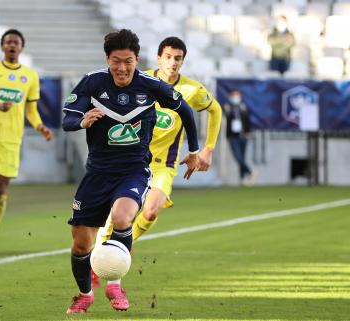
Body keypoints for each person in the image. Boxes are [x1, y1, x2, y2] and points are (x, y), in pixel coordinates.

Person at [62, 29, 200, 314]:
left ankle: (115, 284)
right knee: (80, 243)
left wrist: (196, 150)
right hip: (97, 173)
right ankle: (85, 294)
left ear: (137, 59)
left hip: (133, 170)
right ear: (107, 59)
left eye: (128, 61)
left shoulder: (150, 85)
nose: (122, 68)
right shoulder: (92, 82)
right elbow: (67, 119)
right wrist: (82, 121)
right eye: (116, 61)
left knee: (123, 218)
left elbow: (185, 110)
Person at [94, 36, 222, 287]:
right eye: (169, 57)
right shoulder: (140, 82)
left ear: (182, 62)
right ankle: (99, 257)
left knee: (151, 210)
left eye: (178, 59)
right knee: (116, 217)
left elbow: (215, 110)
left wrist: (208, 149)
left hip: (165, 163)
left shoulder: (192, 90)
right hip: (132, 160)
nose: (173, 63)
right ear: (159, 58)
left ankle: (123, 248)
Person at [0, 29, 53, 255]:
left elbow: (32, 111)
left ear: (22, 47)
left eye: (16, 43)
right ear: (2, 46)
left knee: (0, 190)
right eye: (8, 42)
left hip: (12, 141)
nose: (12, 46)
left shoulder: (30, 76)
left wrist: (40, 127)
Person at [223, 89, 253, 184]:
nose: (236, 97)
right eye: (234, 95)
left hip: (243, 135)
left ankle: (242, 178)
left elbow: (247, 120)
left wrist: (248, 131)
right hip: (233, 136)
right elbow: (225, 117)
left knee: (242, 157)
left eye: (237, 95)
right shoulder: (227, 107)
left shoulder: (243, 107)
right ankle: (249, 171)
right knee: (238, 157)